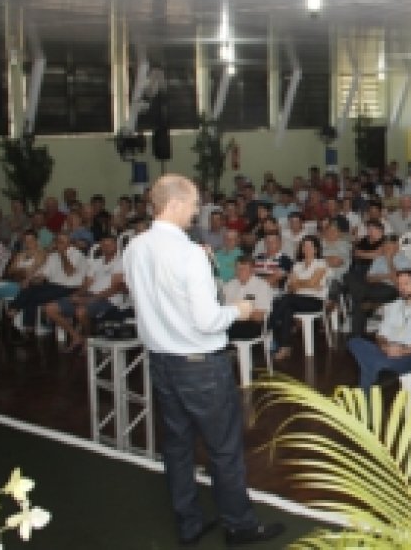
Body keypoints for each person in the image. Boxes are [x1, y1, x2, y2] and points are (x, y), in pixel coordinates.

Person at [122, 174, 282, 546]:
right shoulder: (188, 253)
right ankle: (239, 525)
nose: (197, 212)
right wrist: (239, 310)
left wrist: (204, 268)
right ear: (176, 204)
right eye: (194, 205)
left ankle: (189, 522)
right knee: (223, 448)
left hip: (161, 361)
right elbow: (208, 318)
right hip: (200, 364)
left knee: (177, 447)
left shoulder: (134, 246)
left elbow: (152, 299)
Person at [347, 270, 411, 391]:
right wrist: (384, 346)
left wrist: (403, 351)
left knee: (370, 366)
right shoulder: (393, 307)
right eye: (399, 284)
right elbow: (381, 334)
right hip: (387, 350)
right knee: (355, 341)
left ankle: (376, 371)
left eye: (406, 284)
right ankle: (380, 366)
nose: (401, 288)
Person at [268, 235, 328, 361]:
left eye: (309, 246)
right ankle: (285, 347)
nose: (306, 248)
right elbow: (290, 287)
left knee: (286, 300)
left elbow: (313, 283)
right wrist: (305, 283)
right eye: (304, 246)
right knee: (286, 307)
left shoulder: (321, 263)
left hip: (315, 300)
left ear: (316, 249)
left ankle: (269, 325)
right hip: (296, 299)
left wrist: (299, 283)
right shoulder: (297, 265)